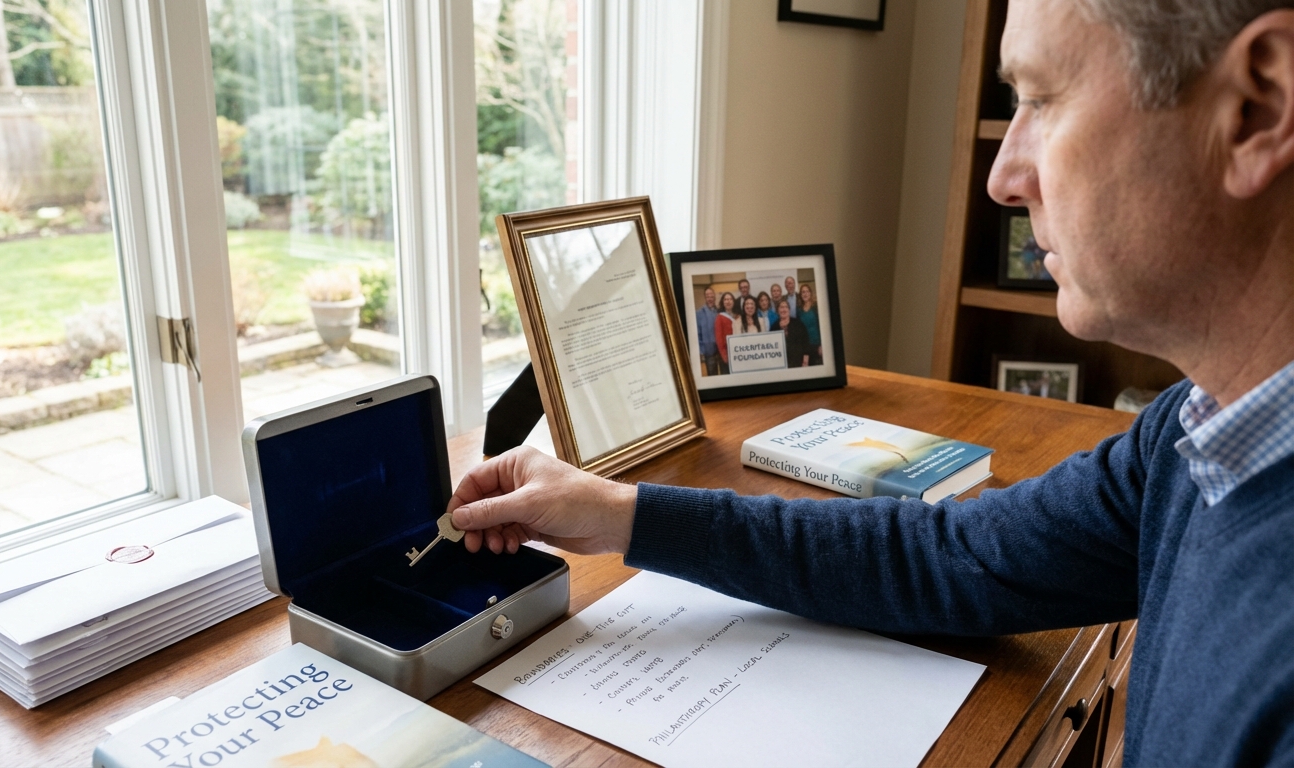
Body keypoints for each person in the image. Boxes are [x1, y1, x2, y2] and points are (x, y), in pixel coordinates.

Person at [443, 2, 1294, 764]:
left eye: (1040, 97)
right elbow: (955, 558)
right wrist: (620, 514)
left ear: (1257, 107)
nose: (1004, 176)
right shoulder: (1196, 431)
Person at [774, 299, 809, 368]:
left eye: (786, 307)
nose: (784, 309)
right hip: (781, 364)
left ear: (789, 310)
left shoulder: (798, 323)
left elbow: (805, 341)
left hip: (798, 362)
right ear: (777, 310)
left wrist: (805, 360)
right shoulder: (774, 327)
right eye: (781, 307)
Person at [695, 286, 720, 376]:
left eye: (711, 296)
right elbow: (697, 333)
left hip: (721, 350)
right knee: (712, 375)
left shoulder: (719, 311)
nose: (710, 298)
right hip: (709, 352)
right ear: (705, 298)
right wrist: (702, 350)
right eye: (707, 296)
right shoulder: (699, 313)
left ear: (714, 297)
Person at [796, 284, 822, 366]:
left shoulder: (816, 307)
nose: (805, 294)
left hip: (816, 344)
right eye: (803, 292)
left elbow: (822, 326)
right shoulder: (799, 310)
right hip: (805, 345)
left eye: (807, 291)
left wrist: (821, 344)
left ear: (810, 293)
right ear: (800, 295)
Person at [713, 291, 737, 375]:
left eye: (730, 299)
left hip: (737, 352)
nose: (728, 301)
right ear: (723, 302)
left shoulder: (738, 316)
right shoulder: (719, 317)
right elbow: (719, 339)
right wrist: (724, 356)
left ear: (733, 301)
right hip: (726, 354)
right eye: (726, 299)